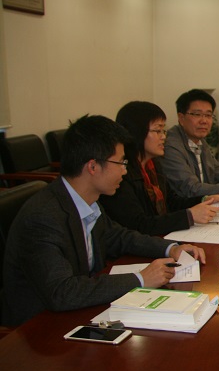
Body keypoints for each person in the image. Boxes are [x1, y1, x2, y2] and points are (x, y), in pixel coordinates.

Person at [2, 115, 206, 327]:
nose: (125, 171)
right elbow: (61, 292)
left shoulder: (86, 201)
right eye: (121, 163)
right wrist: (140, 279)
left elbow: (118, 236)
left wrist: (171, 248)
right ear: (93, 167)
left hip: (81, 310)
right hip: (39, 328)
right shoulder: (43, 218)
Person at [100, 101, 219, 235]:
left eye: (163, 130)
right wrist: (189, 216)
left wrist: (205, 200)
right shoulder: (122, 173)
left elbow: (172, 202)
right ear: (137, 133)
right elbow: (138, 225)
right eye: (157, 131)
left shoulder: (153, 165)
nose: (163, 137)